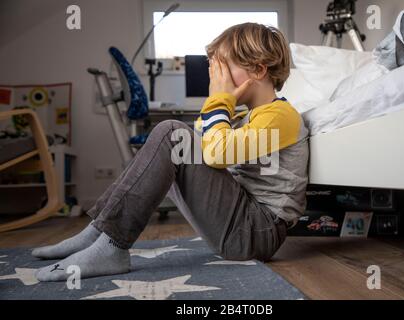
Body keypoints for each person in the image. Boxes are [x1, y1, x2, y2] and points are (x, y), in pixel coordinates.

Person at [33, 23, 309, 282]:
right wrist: (222, 103)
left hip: (257, 232)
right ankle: (98, 234)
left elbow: (215, 155)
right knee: (173, 139)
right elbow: (202, 141)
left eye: (223, 67)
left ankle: (111, 245)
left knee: (171, 133)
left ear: (259, 70)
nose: (216, 76)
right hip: (241, 227)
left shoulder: (280, 115)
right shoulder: (244, 117)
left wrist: (219, 99)